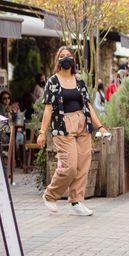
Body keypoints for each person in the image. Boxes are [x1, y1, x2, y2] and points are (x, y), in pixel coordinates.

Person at [36, 46, 108, 216]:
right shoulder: (52, 82)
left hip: (82, 125)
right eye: (62, 56)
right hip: (63, 128)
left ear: (73, 60)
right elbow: (48, 109)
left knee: (83, 165)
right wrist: (41, 132)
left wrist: (100, 127)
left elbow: (88, 106)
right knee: (69, 167)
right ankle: (50, 195)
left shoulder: (80, 81)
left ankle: (76, 201)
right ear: (57, 60)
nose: (66, 58)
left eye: (69, 55)